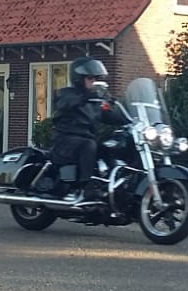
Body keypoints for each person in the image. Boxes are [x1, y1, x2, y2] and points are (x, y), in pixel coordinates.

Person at [47, 56, 129, 200]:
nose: (94, 82)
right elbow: (65, 103)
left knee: (110, 147)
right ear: (79, 79)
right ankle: (87, 186)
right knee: (89, 145)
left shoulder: (95, 101)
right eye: (90, 78)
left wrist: (129, 119)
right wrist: (87, 97)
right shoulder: (67, 94)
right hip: (65, 141)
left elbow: (109, 116)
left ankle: (112, 184)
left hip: (86, 140)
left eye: (96, 79)